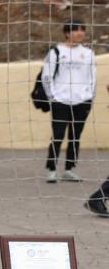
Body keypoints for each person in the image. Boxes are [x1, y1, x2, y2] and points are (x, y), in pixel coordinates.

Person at [42, 21, 95, 183]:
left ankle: (69, 169)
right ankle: (51, 169)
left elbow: (92, 77)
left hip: (82, 101)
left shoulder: (88, 53)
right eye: (76, 30)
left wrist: (89, 96)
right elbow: (47, 76)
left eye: (82, 30)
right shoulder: (56, 51)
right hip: (60, 101)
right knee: (57, 135)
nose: (80, 33)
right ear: (67, 33)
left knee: (75, 136)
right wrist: (53, 96)